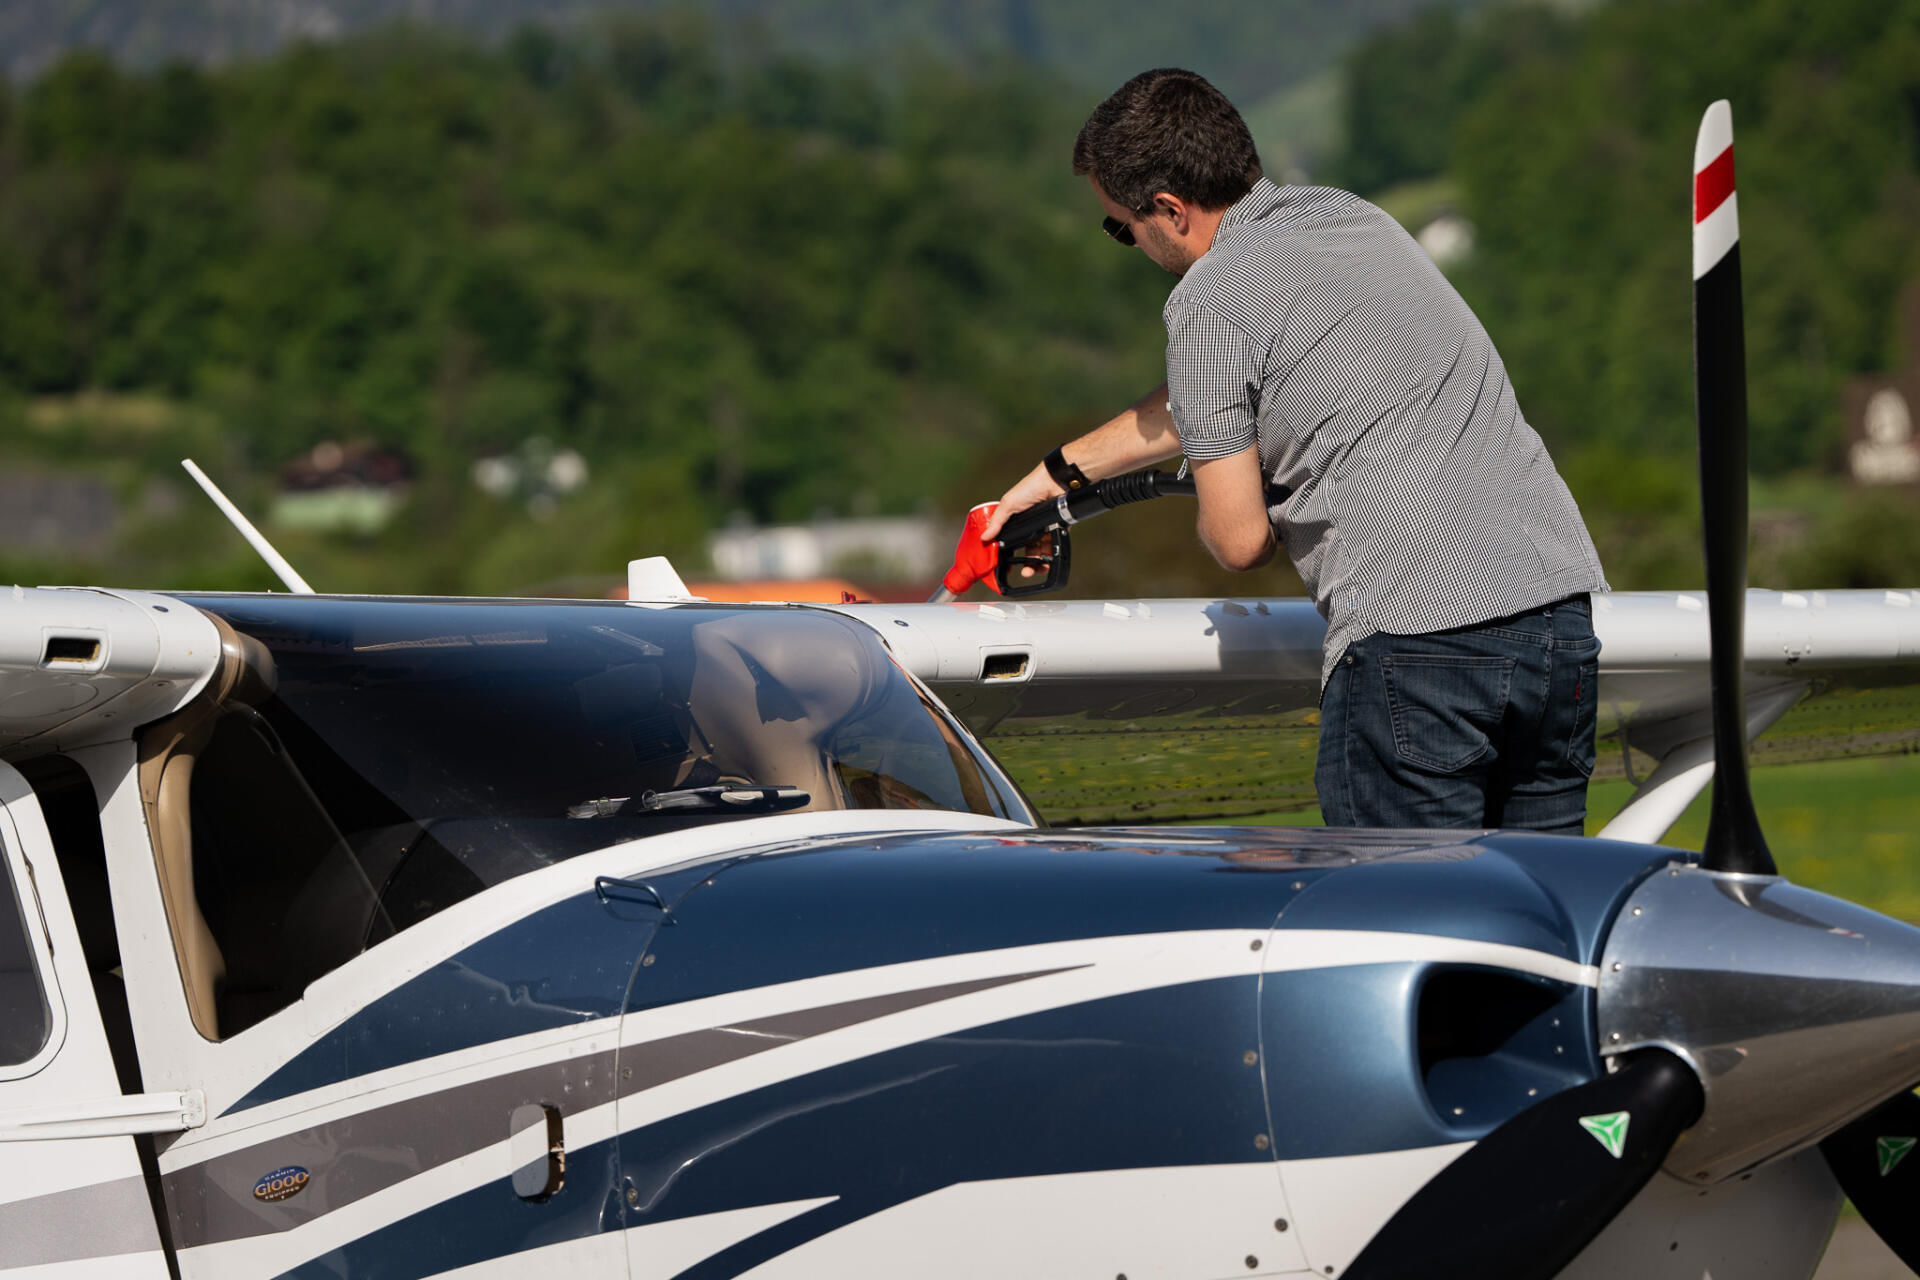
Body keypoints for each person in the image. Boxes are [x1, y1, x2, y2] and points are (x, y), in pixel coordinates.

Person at [979, 68, 1609, 835]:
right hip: (1558, 619)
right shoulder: (1353, 221)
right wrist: (1057, 475)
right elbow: (1211, 400)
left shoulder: (1207, 299)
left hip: (1418, 641)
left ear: (1169, 211)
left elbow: (1240, 540)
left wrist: (1231, 505)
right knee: (1538, 924)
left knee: (1408, 927)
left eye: (1121, 227)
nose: (1127, 243)